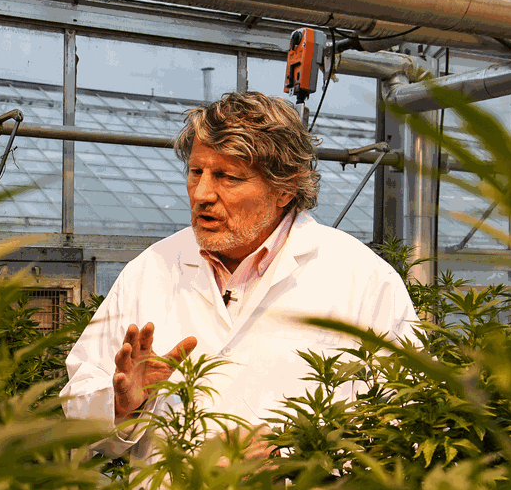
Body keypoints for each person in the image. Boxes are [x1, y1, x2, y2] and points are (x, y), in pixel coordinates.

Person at [60, 91, 419, 459]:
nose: (201, 193)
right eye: (196, 171)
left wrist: (297, 459)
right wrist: (122, 405)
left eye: (227, 177)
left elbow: (410, 419)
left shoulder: (363, 279)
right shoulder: (150, 269)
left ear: (285, 188)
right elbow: (77, 405)